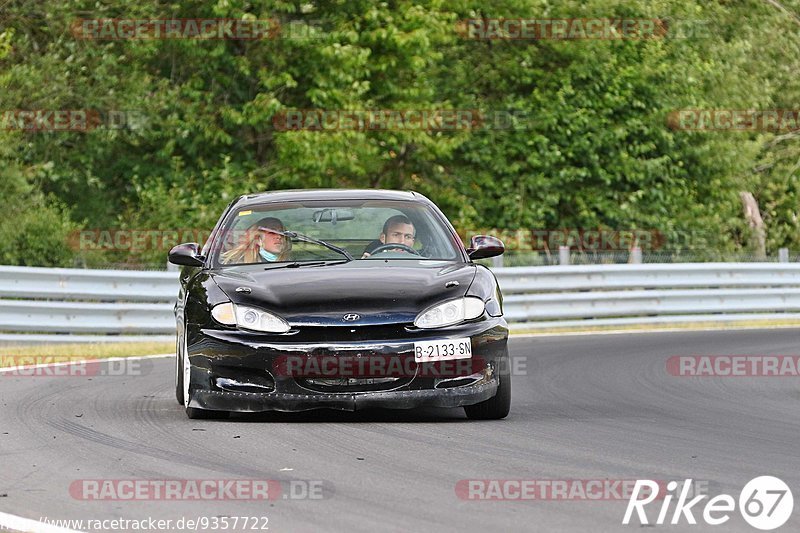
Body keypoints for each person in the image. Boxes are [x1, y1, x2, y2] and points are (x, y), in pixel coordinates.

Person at [220, 217, 292, 264]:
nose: (279, 236)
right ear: (258, 239)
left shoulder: (295, 264)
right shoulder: (237, 264)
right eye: (272, 232)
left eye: (281, 232)